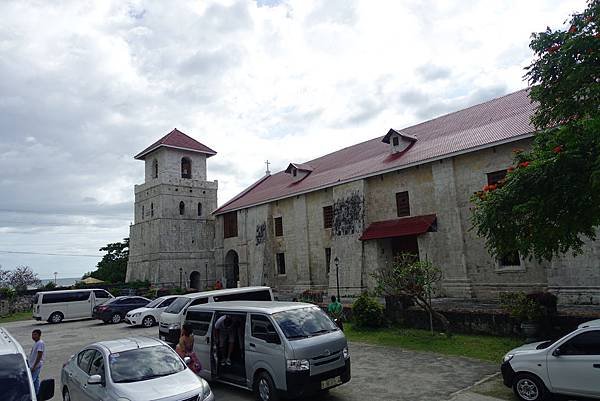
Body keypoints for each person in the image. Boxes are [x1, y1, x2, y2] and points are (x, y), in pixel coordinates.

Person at [29, 329, 45, 395]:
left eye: (35, 334)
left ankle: (31, 394)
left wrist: (34, 366)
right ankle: (37, 394)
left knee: (31, 381)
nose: (33, 336)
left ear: (39, 335)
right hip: (33, 365)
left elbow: (39, 355)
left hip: (36, 366)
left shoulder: (40, 343)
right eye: (32, 335)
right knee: (36, 381)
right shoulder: (36, 343)